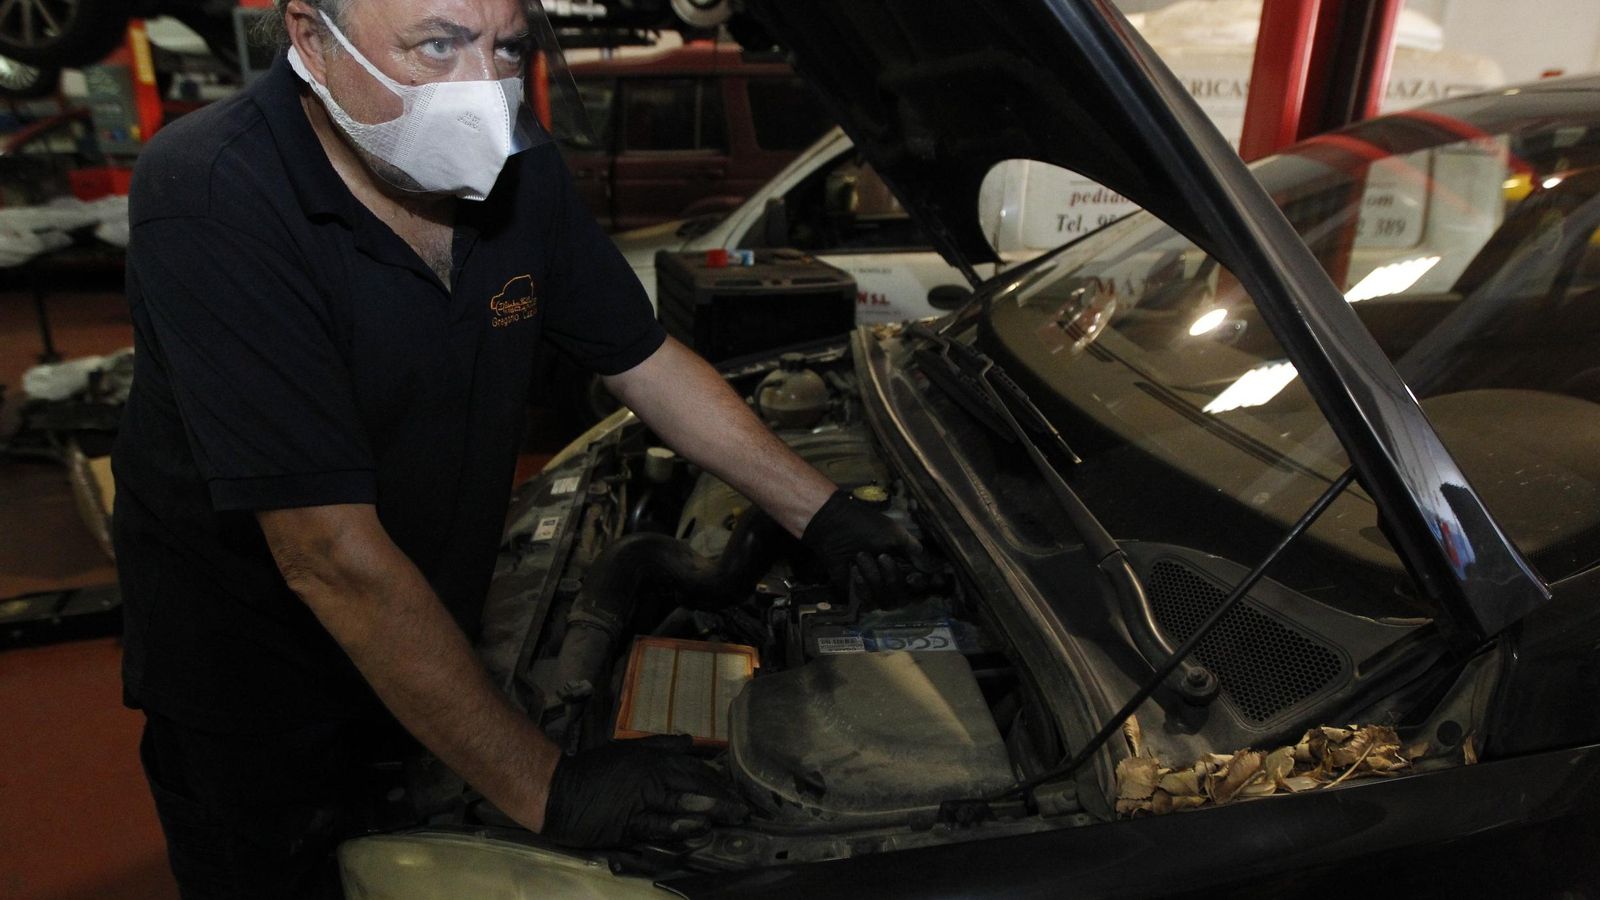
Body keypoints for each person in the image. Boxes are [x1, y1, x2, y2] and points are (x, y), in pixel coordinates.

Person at [110, 0, 926, 895]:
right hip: (259, 687)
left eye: (507, 48)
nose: (484, 94)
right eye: (439, 45)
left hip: (427, 623)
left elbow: (645, 361)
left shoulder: (517, 169)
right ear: (311, 38)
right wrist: (550, 787)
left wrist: (824, 511)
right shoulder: (212, 191)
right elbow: (327, 554)